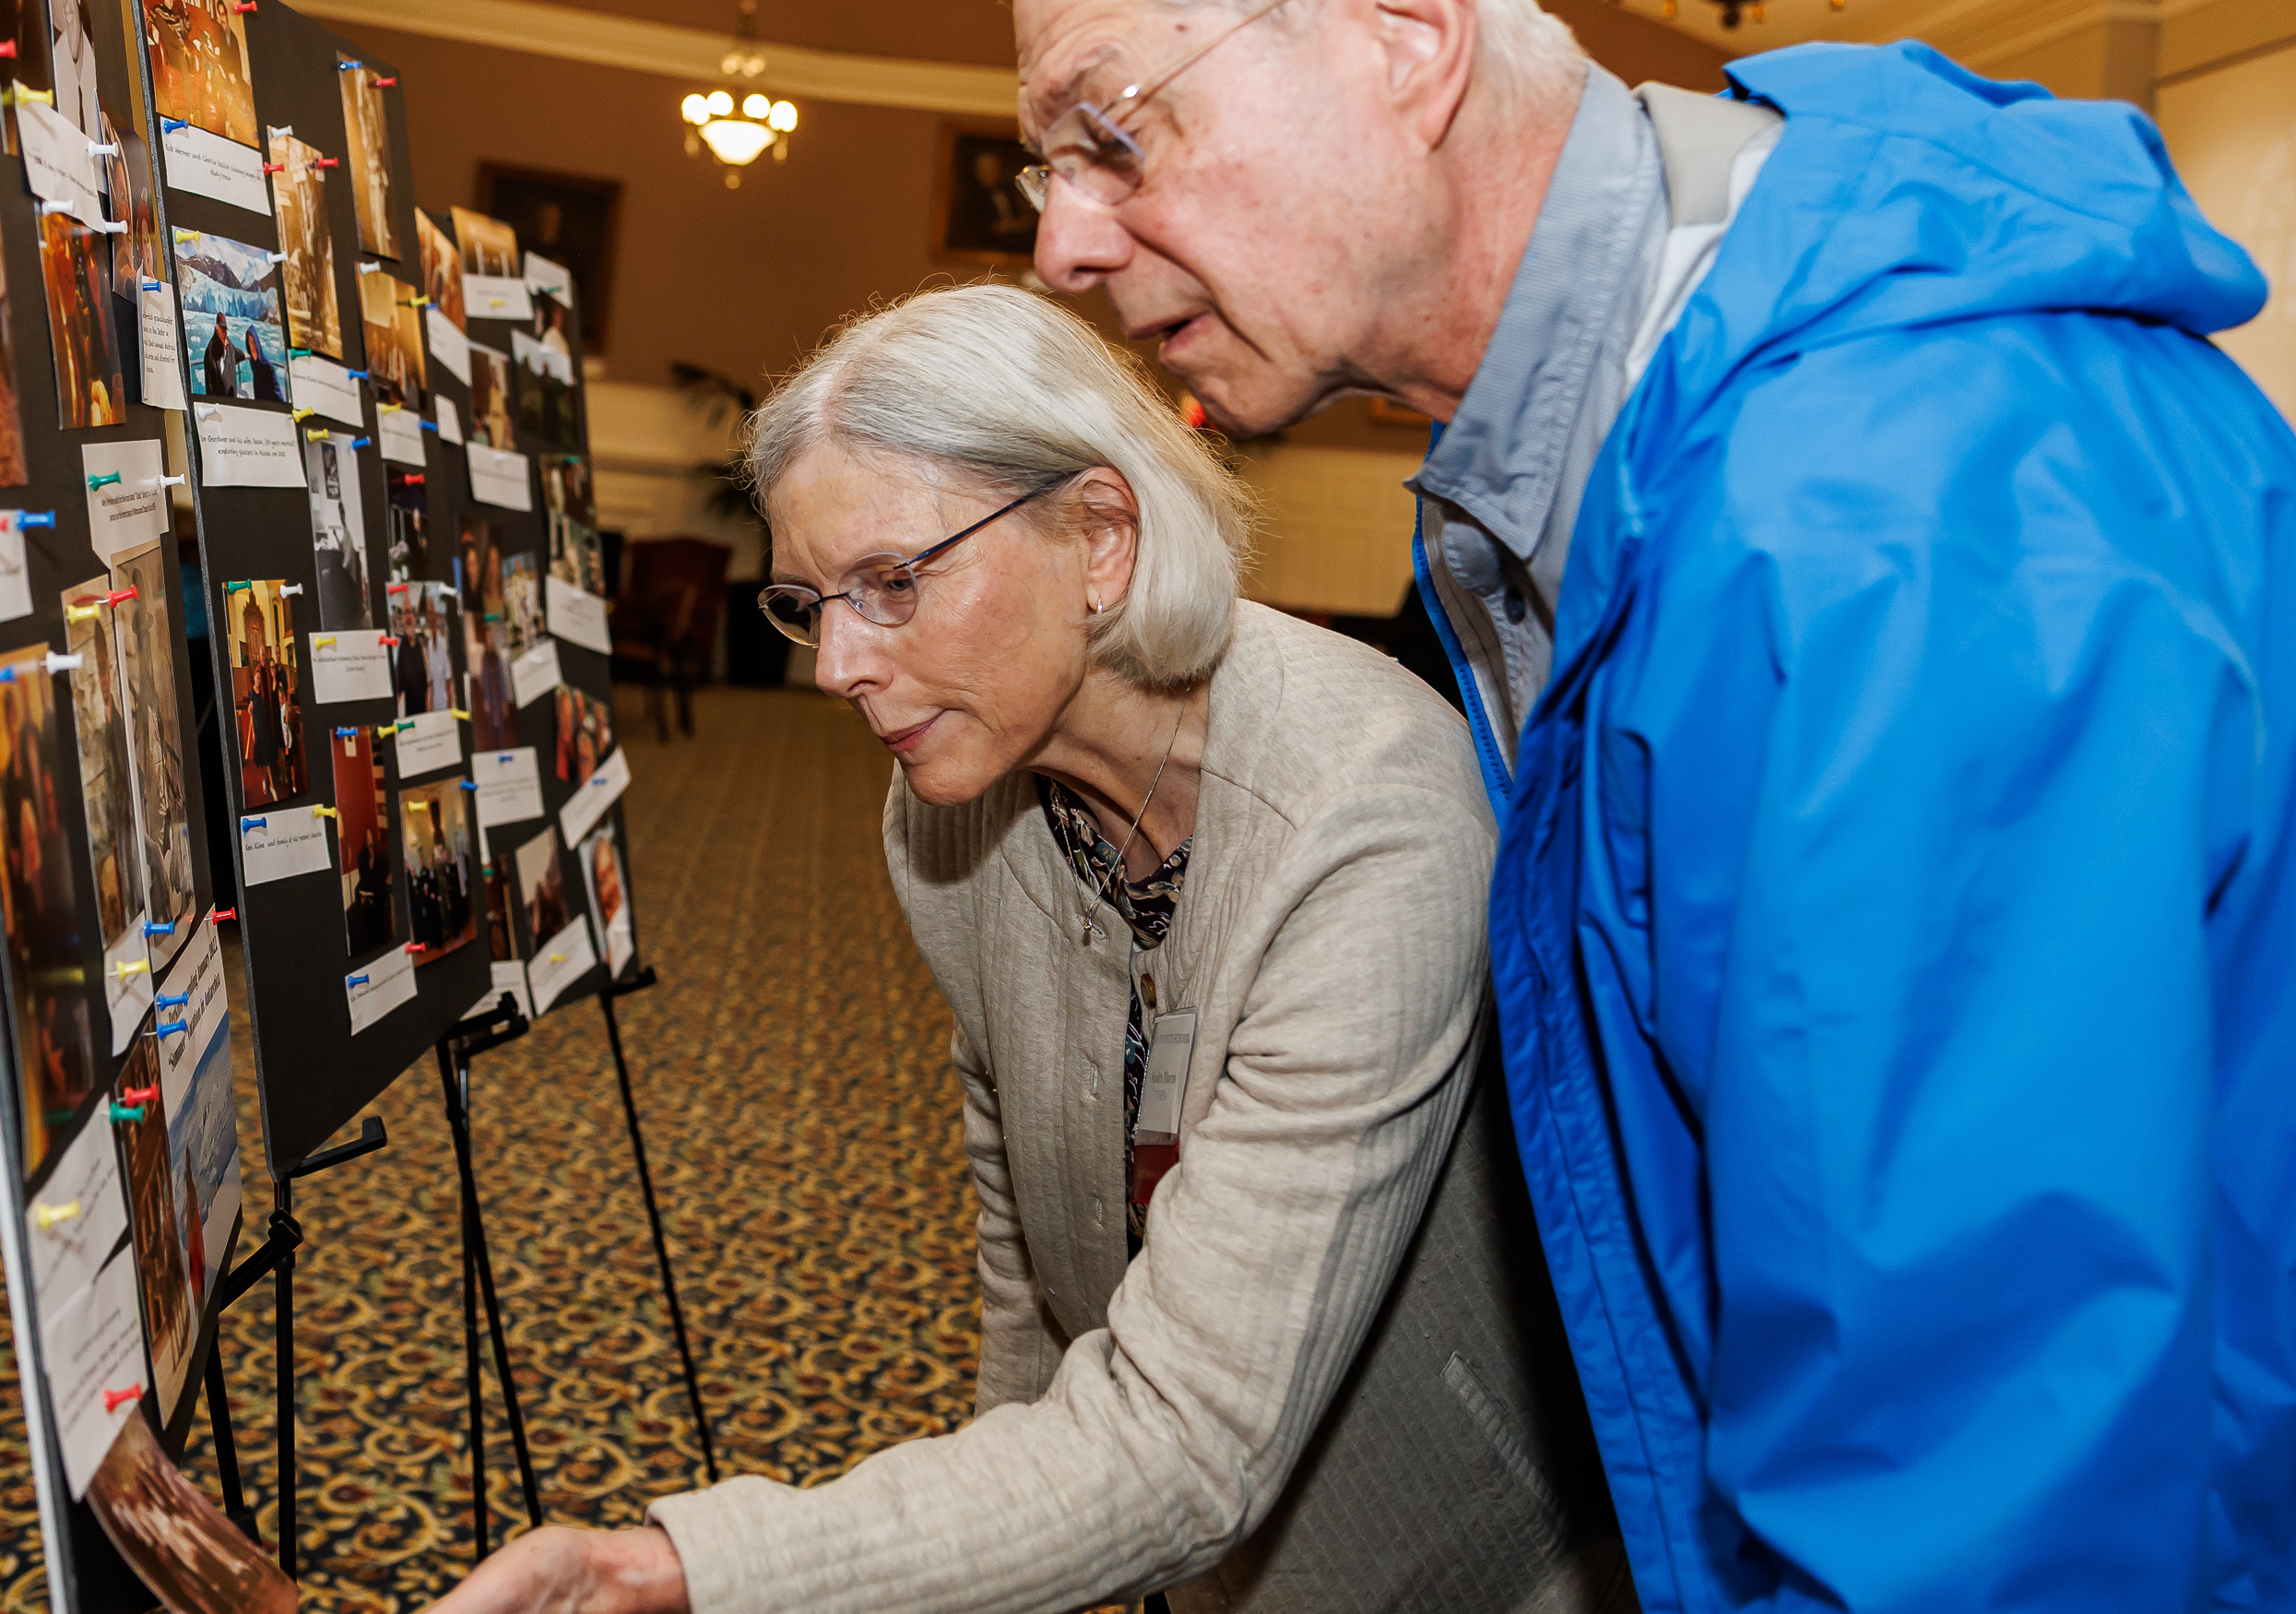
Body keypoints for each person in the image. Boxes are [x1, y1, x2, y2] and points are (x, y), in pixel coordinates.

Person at [1005, 0, 2296, 1610]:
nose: (1060, 240)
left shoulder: (1879, 516)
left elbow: (1982, 1495)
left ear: (1408, 29)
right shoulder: (1686, 442)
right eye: (1046, 167)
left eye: (1111, 134)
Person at [427, 285, 1622, 1614]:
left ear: (1101, 538)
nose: (835, 667)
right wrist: (1022, 1564)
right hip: (1183, 1529)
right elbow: (1030, 1252)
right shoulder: (950, 810)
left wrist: (681, 1570)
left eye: (891, 583)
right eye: (807, 602)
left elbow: (1189, 1440)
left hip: (1445, 1554)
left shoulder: (1373, 821)